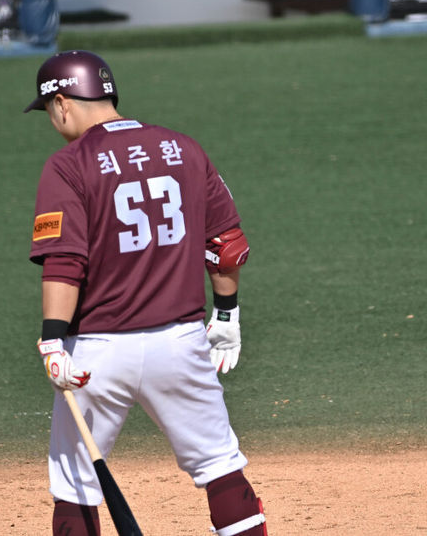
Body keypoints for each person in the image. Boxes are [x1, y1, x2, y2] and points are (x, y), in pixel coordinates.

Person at [25, 50, 266, 535]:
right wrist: (226, 316)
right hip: (181, 343)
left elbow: (65, 262)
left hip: (97, 352)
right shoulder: (183, 148)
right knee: (220, 466)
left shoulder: (69, 165)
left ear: (63, 103)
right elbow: (227, 246)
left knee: (75, 486)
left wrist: (53, 340)